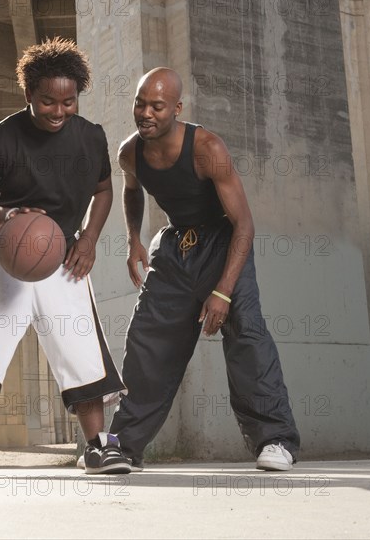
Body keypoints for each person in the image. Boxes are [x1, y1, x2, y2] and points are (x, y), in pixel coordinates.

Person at [0, 37, 131, 479]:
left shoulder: (91, 137)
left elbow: (103, 190)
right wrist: (6, 216)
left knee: (81, 349)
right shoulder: (1, 138)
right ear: (28, 95)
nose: (58, 111)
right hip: (1, 254)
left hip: (65, 255)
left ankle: (97, 446)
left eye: (68, 101)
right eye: (47, 101)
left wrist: (90, 238)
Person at [108, 67, 300, 472]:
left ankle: (276, 439)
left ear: (177, 108)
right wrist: (133, 239)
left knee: (245, 331)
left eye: (157, 106)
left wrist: (224, 291)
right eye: (140, 104)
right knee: (148, 339)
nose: (146, 113)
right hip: (176, 245)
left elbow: (244, 224)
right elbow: (130, 188)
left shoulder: (206, 147)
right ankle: (123, 445)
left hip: (223, 241)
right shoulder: (130, 151)